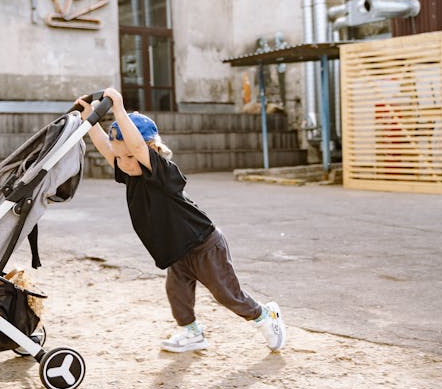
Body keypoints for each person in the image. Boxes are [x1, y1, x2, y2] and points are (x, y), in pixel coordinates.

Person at [76, 88, 286, 353]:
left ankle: (265, 316)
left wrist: (118, 109)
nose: (123, 163)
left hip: (203, 245)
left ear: (150, 149)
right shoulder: (130, 172)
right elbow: (109, 148)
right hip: (177, 250)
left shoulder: (162, 171)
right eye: (120, 157)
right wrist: (89, 117)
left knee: (226, 295)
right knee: (178, 295)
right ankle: (192, 333)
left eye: (129, 156)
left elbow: (137, 147)